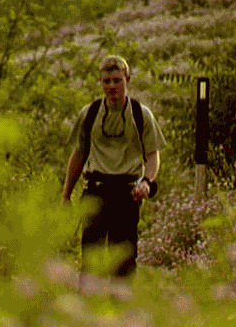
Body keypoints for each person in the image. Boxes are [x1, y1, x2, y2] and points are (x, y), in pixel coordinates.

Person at [61, 55, 166, 282]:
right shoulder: (89, 114)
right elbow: (78, 155)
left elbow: (152, 156)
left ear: (127, 79)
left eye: (117, 81)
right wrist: (67, 194)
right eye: (106, 81)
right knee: (91, 260)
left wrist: (147, 182)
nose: (111, 86)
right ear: (100, 82)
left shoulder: (141, 114)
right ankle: (86, 313)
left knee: (124, 263)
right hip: (95, 190)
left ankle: (121, 314)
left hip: (127, 193)